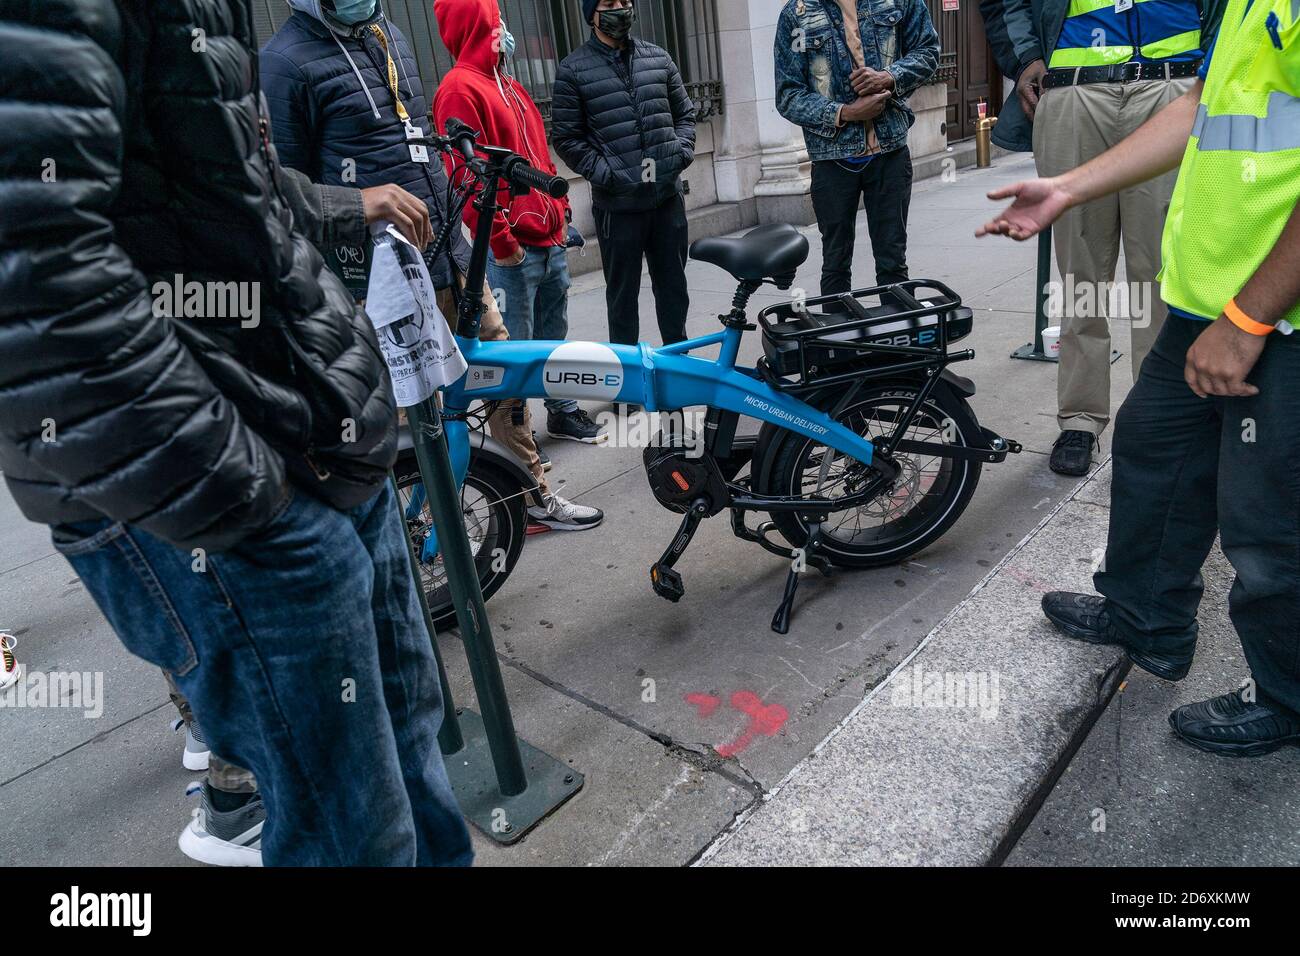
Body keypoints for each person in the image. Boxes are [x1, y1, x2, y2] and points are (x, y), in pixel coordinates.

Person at [0, 1, 473, 865]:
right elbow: (34, 270)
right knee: (351, 828)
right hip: (229, 476)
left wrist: (345, 205)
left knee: (410, 761)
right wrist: (254, 504)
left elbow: (219, 176)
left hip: (313, 433)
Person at [978, 0, 1300, 756]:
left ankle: (1287, 696)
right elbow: (1199, 106)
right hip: (1207, 293)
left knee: (1267, 519)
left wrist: (1250, 320)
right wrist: (1072, 187)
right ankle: (1145, 618)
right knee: (1154, 454)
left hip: (1273, 308)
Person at [263, 0, 602, 531]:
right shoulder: (283, 62)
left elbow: (417, 142)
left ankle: (533, 494)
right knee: (407, 417)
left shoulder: (389, 37)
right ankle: (423, 528)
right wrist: (358, 203)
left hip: (451, 258)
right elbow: (277, 189)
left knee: (503, 381)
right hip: (377, 280)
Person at [979, 0, 1225, 476]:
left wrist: (1214, 64)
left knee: (1161, 272)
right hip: (1074, 89)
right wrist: (1027, 57)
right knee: (1080, 272)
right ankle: (1081, 418)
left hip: (1174, 88)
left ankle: (1157, 418)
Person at [433, 0, 605, 449]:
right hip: (512, 250)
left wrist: (561, 215)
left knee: (552, 339)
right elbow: (467, 176)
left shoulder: (506, 84)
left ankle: (562, 411)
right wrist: (502, 240)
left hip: (547, 238)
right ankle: (517, 446)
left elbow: (537, 155)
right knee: (513, 355)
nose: (503, 30)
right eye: (495, 21)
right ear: (474, 27)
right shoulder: (459, 89)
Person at [552, 0, 697, 348]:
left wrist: (680, 153)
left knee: (675, 295)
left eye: (624, 2)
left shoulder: (658, 58)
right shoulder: (573, 70)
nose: (620, 9)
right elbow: (567, 138)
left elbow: (685, 116)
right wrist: (608, 174)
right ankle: (628, 394)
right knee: (622, 303)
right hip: (617, 210)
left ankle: (678, 380)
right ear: (592, 14)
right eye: (609, 3)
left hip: (666, 201)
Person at [774, 0, 939, 302]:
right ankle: (840, 347)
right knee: (836, 264)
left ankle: (899, 344)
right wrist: (846, 112)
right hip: (832, 160)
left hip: (889, 152)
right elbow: (788, 95)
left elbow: (928, 51)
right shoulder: (796, 14)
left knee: (892, 262)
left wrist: (888, 76)